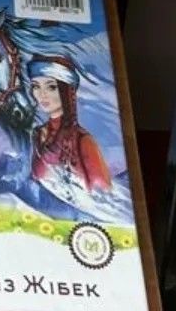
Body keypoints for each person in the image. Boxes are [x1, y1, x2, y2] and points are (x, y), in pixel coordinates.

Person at [27, 53, 112, 201]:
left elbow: (103, 196)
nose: (41, 94)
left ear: (66, 90)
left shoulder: (82, 140)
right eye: (36, 86)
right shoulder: (38, 134)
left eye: (51, 87)